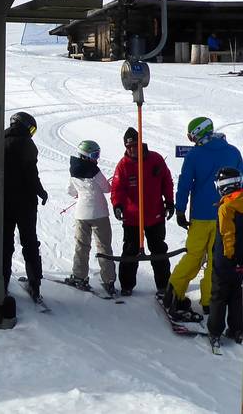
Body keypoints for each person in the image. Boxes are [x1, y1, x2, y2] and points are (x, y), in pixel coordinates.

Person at [165, 116, 243, 318]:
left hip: (201, 216)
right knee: (216, 260)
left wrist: (180, 210)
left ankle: (174, 291)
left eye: (191, 136)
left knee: (193, 255)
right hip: (226, 216)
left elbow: (185, 184)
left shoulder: (194, 155)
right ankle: (209, 301)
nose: (191, 140)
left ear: (198, 134)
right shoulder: (233, 152)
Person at [110, 127, 175, 297]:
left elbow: (167, 181)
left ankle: (163, 285)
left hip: (155, 215)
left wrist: (169, 202)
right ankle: (127, 285)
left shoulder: (156, 159)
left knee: (158, 249)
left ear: (141, 144)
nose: (132, 150)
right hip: (133, 217)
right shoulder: (123, 165)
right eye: (129, 147)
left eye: (135, 145)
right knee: (130, 250)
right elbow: (117, 189)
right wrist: (118, 205)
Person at [207, 166, 243, 350]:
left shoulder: (226, 208)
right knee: (236, 294)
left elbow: (227, 234)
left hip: (226, 260)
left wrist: (230, 256)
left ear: (223, 186)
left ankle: (215, 332)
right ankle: (237, 329)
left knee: (219, 295)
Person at [3, 111, 48, 300]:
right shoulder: (27, 144)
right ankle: (35, 284)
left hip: (4, 202)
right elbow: (31, 174)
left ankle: (1, 284)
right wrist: (41, 191)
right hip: (25, 203)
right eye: (31, 129)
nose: (31, 133)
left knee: (5, 244)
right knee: (29, 242)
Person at [66, 140, 117, 296]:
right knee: (104, 247)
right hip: (100, 214)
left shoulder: (73, 169)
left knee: (82, 246)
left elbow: (70, 191)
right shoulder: (95, 171)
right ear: (86, 155)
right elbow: (107, 188)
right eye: (95, 155)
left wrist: (80, 192)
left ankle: (79, 276)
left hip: (81, 214)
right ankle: (109, 280)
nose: (97, 159)